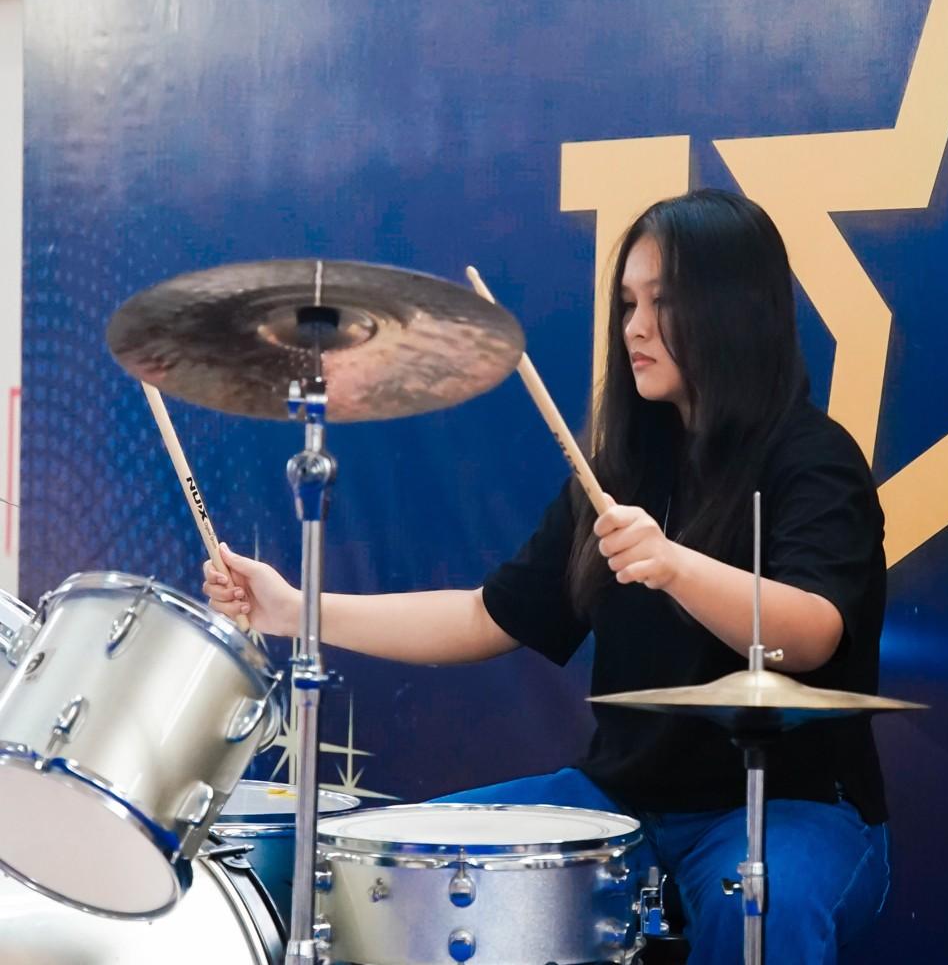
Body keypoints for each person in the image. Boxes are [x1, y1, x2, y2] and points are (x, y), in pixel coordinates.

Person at [204, 188, 890, 964]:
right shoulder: (624, 467)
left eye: (661, 303)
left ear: (733, 310)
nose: (633, 327)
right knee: (404, 865)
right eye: (627, 302)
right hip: (621, 800)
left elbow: (810, 632)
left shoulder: (814, 459)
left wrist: (674, 565)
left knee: (768, 900)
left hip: (794, 809)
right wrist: (297, 610)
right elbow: (482, 616)